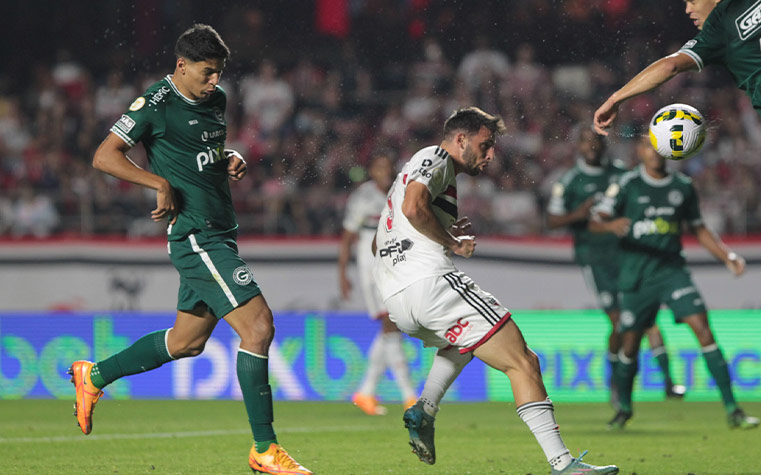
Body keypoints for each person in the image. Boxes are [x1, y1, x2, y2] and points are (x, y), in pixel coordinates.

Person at [67, 24, 312, 475]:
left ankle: (94, 375)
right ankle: (264, 449)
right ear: (181, 66)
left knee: (186, 342)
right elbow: (104, 156)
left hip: (221, 228)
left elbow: (204, 151)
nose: (214, 81)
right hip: (197, 236)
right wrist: (157, 182)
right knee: (258, 328)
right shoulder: (154, 105)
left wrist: (229, 157)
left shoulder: (215, 100)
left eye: (218, 72)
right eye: (206, 72)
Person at [593, 0, 761, 401]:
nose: (688, 8)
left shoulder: (718, 29)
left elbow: (670, 65)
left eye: (692, 0)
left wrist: (617, 97)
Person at [372, 107, 619, 475]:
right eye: (484, 145)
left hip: (397, 299)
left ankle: (425, 408)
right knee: (524, 362)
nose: (490, 155)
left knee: (462, 343)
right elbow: (414, 207)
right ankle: (563, 464)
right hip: (431, 284)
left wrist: (444, 229)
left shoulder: (413, 173)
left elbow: (382, 244)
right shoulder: (435, 157)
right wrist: (451, 243)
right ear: (460, 139)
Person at [591, 135, 760, 430]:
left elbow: (699, 228)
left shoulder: (682, 187)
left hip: (672, 272)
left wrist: (727, 255)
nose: (654, 152)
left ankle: (733, 409)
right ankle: (625, 410)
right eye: (648, 146)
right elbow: (596, 220)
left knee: (703, 329)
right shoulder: (627, 184)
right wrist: (610, 225)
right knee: (629, 344)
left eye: (659, 147)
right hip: (637, 275)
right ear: (639, 151)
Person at [546, 125, 685, 406]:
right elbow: (552, 221)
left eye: (597, 142)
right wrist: (579, 214)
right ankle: (616, 382)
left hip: (629, 255)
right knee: (620, 323)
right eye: (587, 142)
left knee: (648, 319)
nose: (592, 147)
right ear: (579, 147)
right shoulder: (570, 181)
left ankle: (669, 384)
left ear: (604, 145)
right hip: (596, 259)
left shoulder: (621, 175)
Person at [338, 152, 417, 415]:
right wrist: (342, 273)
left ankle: (366, 392)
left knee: (392, 324)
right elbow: (348, 236)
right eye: (379, 166)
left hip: (395, 259)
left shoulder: (399, 191)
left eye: (387, 166)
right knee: (391, 322)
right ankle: (408, 396)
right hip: (370, 261)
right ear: (372, 171)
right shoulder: (363, 196)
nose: (384, 171)